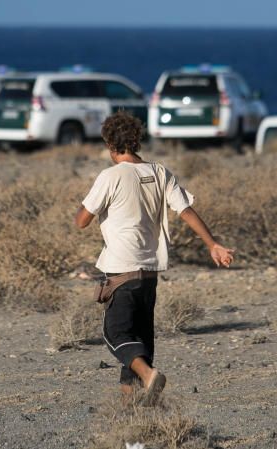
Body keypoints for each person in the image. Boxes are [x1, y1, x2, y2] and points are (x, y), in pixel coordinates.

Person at [74, 111, 234, 404]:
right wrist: (213, 245)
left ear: (110, 144)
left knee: (116, 335)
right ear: (136, 141)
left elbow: (82, 220)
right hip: (149, 274)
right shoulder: (160, 172)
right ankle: (130, 409)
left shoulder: (109, 176)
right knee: (140, 344)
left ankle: (148, 377)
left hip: (121, 272)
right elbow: (185, 210)